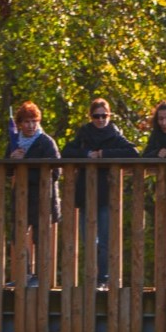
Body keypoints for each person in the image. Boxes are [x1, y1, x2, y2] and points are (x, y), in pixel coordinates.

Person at [61, 98, 138, 286]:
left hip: (106, 193)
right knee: (88, 239)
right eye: (96, 116)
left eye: (104, 115)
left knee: (105, 239)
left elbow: (133, 153)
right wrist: (87, 155)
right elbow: (66, 151)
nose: (100, 119)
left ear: (109, 116)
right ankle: (90, 277)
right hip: (85, 192)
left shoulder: (115, 135)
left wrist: (104, 155)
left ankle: (103, 278)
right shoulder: (84, 134)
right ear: (91, 117)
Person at [6, 101, 59, 284]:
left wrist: (27, 164)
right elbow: (7, 171)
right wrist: (12, 159)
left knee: (40, 237)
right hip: (21, 195)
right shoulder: (14, 141)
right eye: (27, 122)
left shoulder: (46, 141)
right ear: (20, 123)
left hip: (43, 197)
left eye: (34, 121)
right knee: (17, 236)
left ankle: (40, 277)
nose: (30, 125)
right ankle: (24, 274)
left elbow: (56, 171)